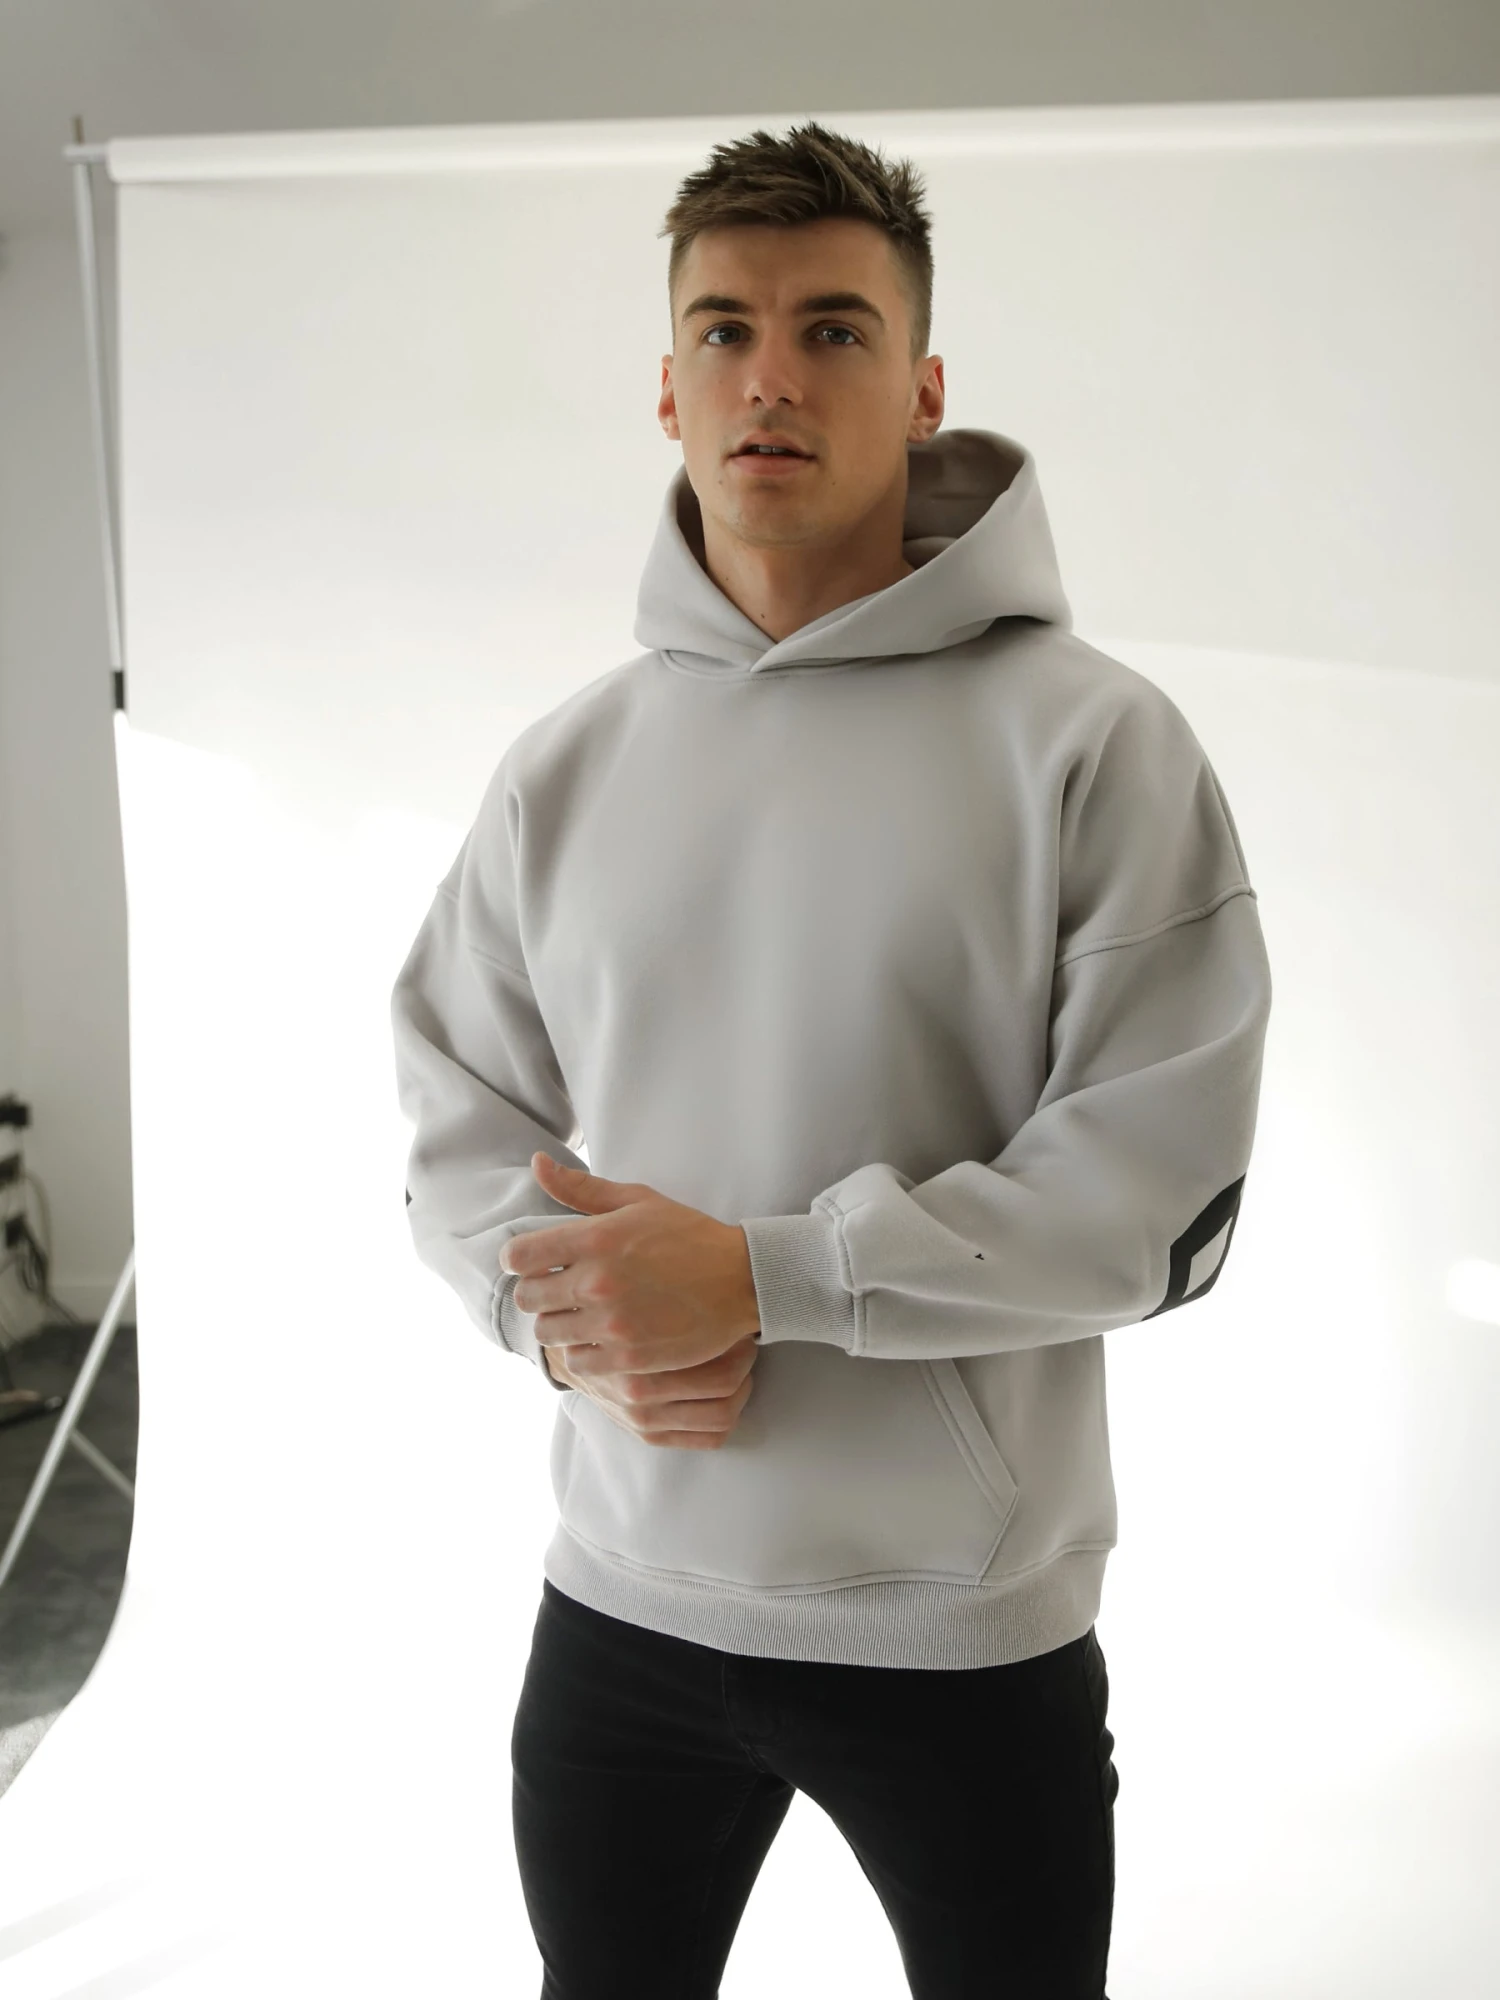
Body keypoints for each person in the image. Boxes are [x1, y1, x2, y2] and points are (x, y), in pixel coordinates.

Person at [391, 118, 1272, 2000]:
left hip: (960, 1633)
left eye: (834, 329)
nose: (769, 376)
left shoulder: (1093, 743)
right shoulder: (566, 766)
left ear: (925, 386)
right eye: (723, 328)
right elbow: (456, 1110)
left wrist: (769, 1277)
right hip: (617, 1610)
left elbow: (1159, 1193)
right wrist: (563, 1321)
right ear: (668, 386)